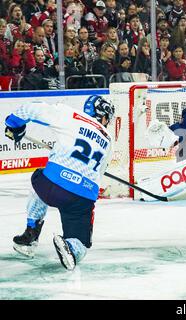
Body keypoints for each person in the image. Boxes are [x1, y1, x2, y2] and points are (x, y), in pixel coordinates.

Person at [4, 95, 115, 270]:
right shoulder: (109, 140)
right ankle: (71, 247)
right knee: (82, 243)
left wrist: (14, 124)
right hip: (81, 198)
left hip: (50, 186)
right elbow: (98, 174)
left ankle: (30, 234)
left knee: (38, 180)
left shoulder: (70, 114)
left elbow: (32, 108)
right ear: (104, 116)